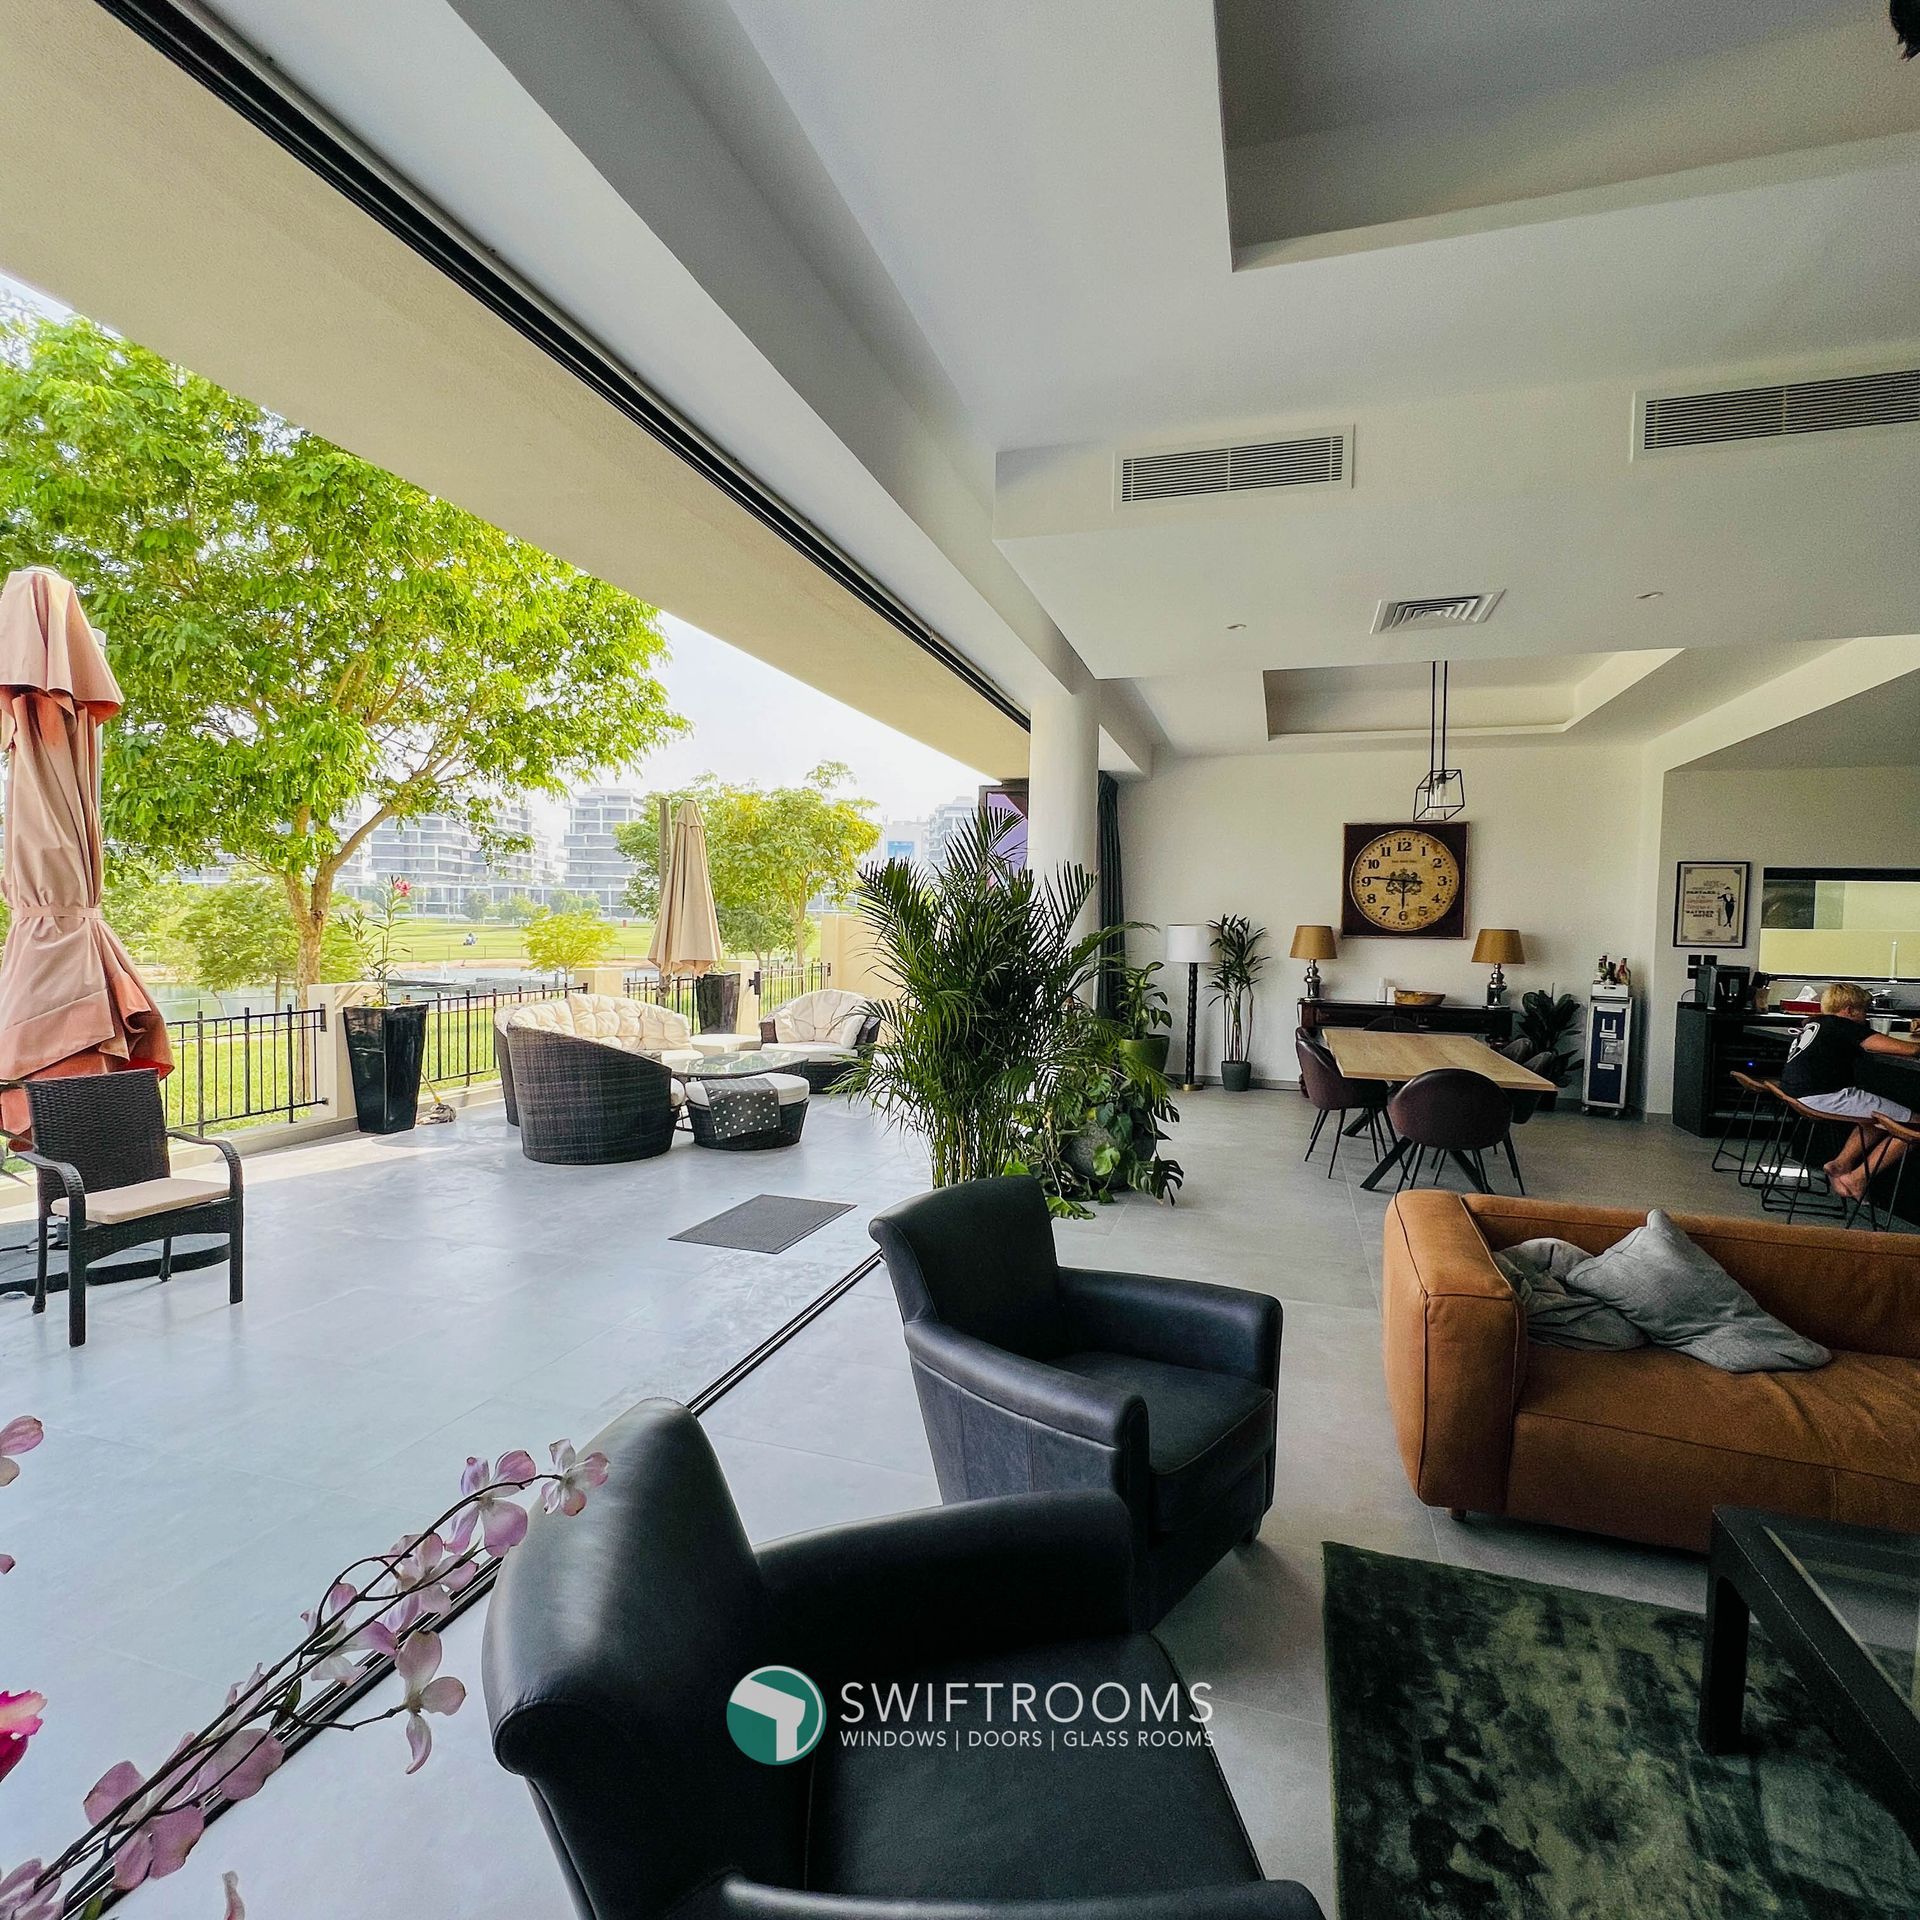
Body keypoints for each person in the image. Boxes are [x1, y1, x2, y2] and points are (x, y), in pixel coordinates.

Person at [1779, 981, 1920, 1199]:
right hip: (1825, 1096)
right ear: (1849, 1010)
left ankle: (1841, 1163)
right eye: (1864, 1011)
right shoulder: (1843, 1025)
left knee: (1880, 1116)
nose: (1865, 1017)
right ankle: (1858, 1177)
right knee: (1913, 1126)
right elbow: (1909, 1050)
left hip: (1797, 1094)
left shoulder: (1815, 1024)